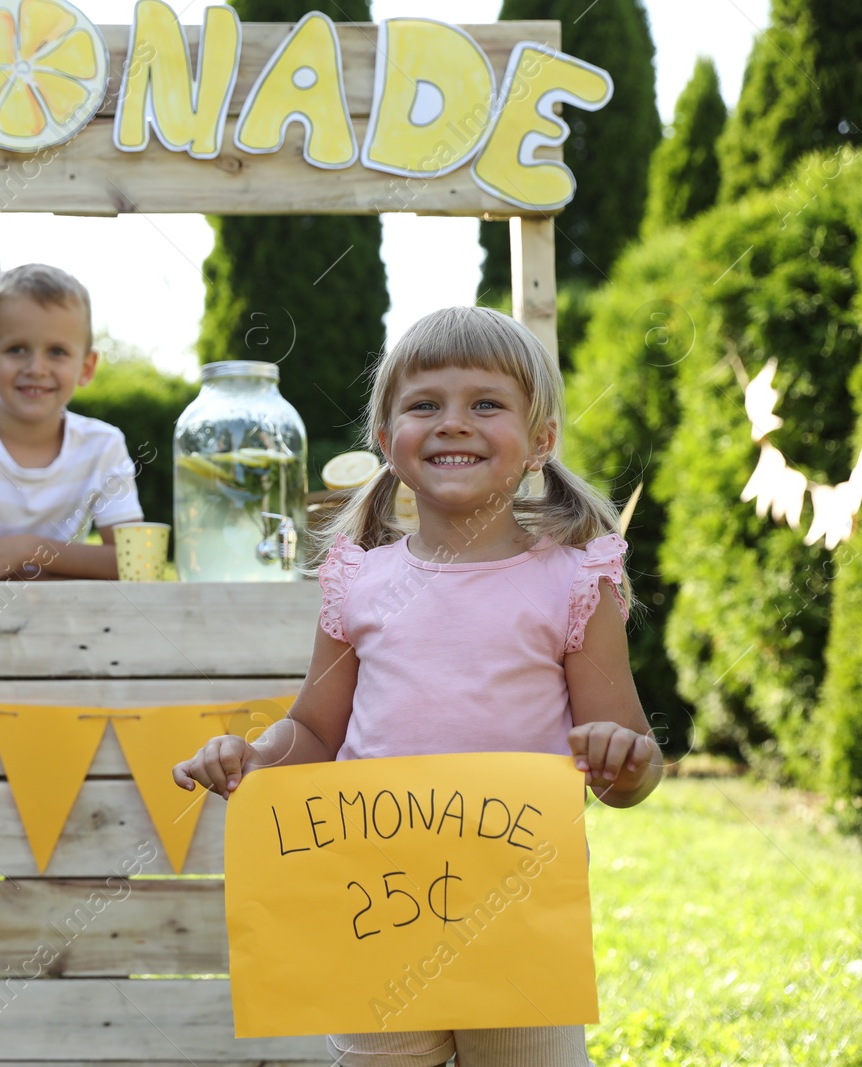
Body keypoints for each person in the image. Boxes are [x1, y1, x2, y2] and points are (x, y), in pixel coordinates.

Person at [172, 305, 662, 1067]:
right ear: (385, 438)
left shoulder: (574, 581)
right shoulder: (359, 581)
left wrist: (621, 758)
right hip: (376, 911)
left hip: (518, 914)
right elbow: (315, 729)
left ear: (542, 439)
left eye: (486, 404)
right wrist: (253, 759)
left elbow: (634, 765)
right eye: (425, 404)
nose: (453, 423)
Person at [0, 263, 144, 581]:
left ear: (87, 367)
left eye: (58, 352)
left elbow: (134, 562)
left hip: (65, 620)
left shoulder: (104, 445)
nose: (36, 367)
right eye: (16, 349)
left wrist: (29, 549)